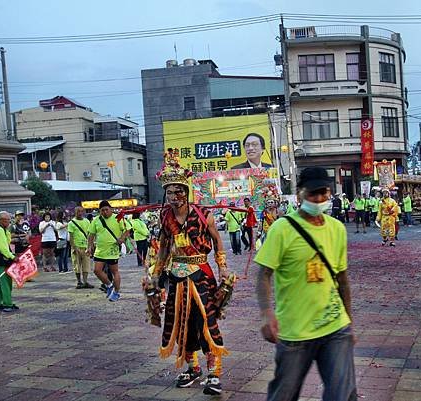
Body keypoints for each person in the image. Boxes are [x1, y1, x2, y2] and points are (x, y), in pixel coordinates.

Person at [255, 166, 357, 401]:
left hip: (335, 327)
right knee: (283, 395)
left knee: (342, 395)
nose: (319, 198)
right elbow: (263, 274)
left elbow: (342, 279)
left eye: (324, 193)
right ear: (300, 194)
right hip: (294, 332)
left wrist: (349, 322)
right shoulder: (282, 228)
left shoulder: (337, 229)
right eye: (313, 193)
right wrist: (266, 314)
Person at [152, 149, 230, 395]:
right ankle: (193, 367)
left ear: (186, 192)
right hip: (176, 276)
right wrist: (157, 272)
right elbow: (164, 247)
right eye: (169, 192)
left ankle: (214, 372)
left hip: (201, 274)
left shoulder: (202, 214)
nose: (173, 196)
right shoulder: (165, 217)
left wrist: (223, 267)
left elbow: (217, 241)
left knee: (206, 320)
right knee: (180, 322)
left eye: (178, 191)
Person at [87, 201, 130, 302]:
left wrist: (122, 238)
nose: (105, 212)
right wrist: (89, 246)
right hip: (100, 250)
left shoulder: (118, 218)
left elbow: (127, 229)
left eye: (107, 209)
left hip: (112, 250)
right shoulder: (96, 220)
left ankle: (116, 292)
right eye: (102, 210)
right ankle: (109, 285)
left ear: (111, 209)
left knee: (114, 271)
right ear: (99, 211)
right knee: (97, 271)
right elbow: (91, 234)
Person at [0, 211, 19, 312]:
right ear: (1, 221)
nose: (9, 223)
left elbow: (6, 242)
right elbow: (3, 248)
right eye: (7, 220)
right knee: (6, 284)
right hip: (1, 261)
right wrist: (12, 257)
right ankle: (7, 303)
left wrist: (7, 231)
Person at [68, 206, 94, 289]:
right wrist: (74, 247)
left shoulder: (87, 221)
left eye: (81, 211)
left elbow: (90, 234)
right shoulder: (71, 223)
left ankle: (85, 281)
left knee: (86, 265)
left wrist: (90, 245)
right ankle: (79, 281)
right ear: (75, 212)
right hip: (77, 247)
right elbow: (71, 237)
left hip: (85, 246)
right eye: (78, 211)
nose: (80, 213)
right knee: (77, 265)